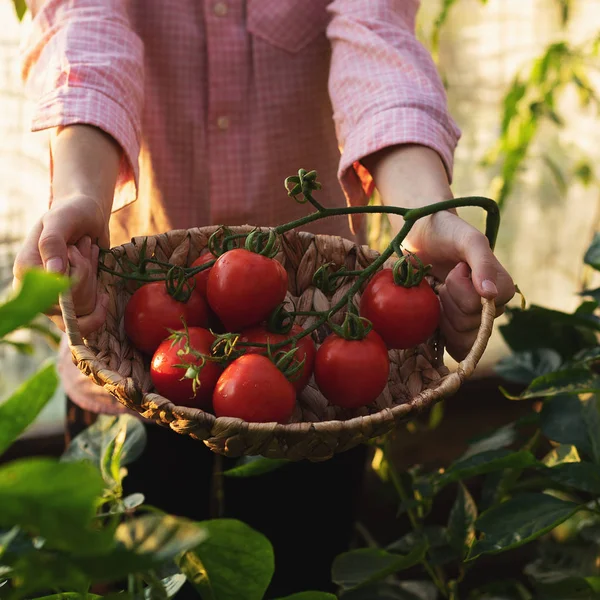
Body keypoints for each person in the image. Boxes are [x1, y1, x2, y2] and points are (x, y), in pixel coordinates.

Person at [13, 0, 515, 596]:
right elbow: (86, 36)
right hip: (125, 333)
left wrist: (424, 209)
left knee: (298, 566)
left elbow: (376, 39)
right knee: (126, 574)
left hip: (314, 356)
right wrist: (80, 197)